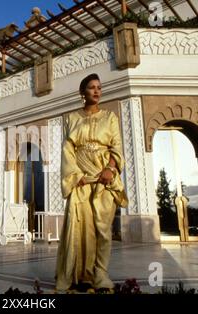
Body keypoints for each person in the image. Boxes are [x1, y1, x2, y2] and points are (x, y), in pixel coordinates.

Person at [55, 73, 128, 292]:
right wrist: (75, 175)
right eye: (91, 87)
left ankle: (100, 274)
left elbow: (116, 146)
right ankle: (75, 274)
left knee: (103, 230)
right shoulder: (71, 118)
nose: (96, 91)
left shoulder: (110, 117)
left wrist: (110, 168)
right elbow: (67, 149)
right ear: (82, 93)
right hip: (81, 181)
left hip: (104, 180)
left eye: (99, 87)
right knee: (79, 229)